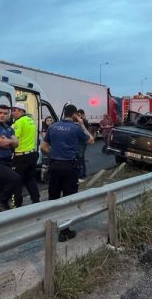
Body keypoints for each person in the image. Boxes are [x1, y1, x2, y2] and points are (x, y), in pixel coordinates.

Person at [40, 104, 93, 242]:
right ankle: (64, 232)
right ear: (75, 114)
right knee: (68, 199)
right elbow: (91, 140)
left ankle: (50, 228)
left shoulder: (52, 127)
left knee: (53, 198)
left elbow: (43, 147)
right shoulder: (76, 129)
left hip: (55, 166)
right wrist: (82, 124)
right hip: (70, 167)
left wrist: (55, 154)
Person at [11, 103, 40, 207]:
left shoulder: (18, 123)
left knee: (16, 181)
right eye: (13, 110)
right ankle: (36, 200)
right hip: (31, 155)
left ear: (22, 111)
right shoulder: (31, 120)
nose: (13, 113)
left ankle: (17, 205)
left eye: (16, 110)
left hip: (20, 156)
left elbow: (14, 139)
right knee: (30, 179)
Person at [76, 109, 90, 180]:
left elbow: (84, 131)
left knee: (80, 159)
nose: (78, 116)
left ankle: (81, 175)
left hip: (82, 142)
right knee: (82, 158)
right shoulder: (84, 121)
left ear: (81, 114)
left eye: (78, 115)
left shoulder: (83, 121)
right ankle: (83, 174)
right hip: (83, 142)